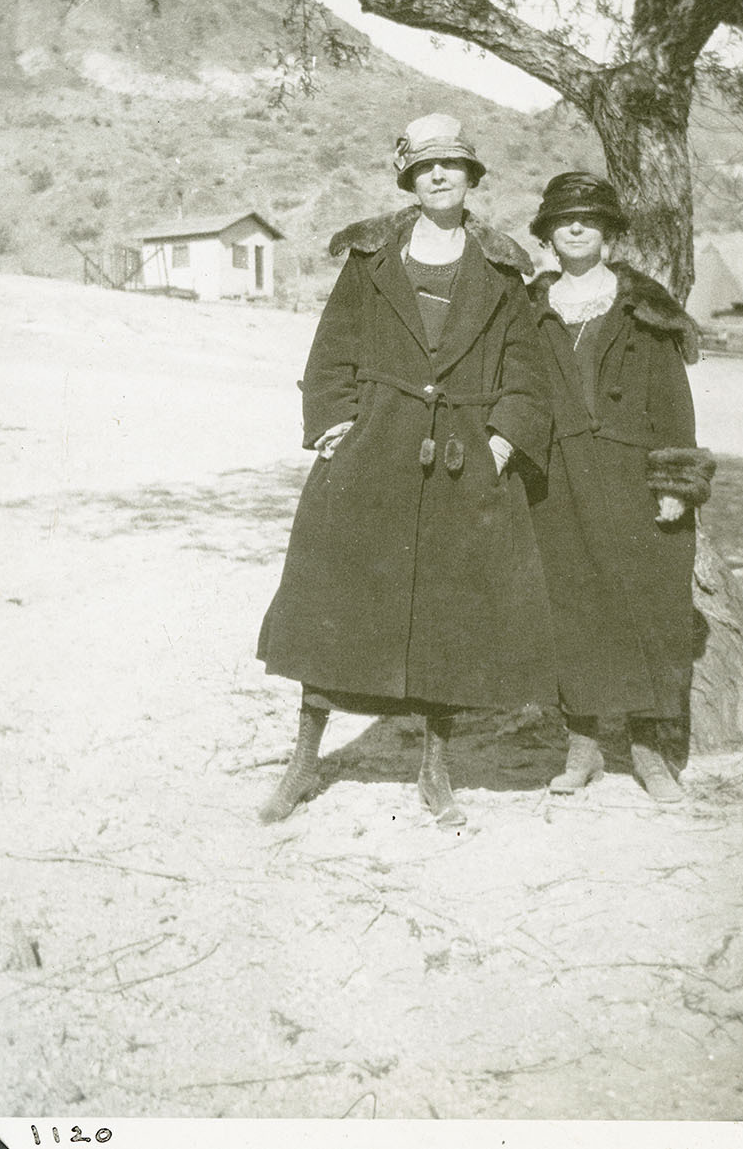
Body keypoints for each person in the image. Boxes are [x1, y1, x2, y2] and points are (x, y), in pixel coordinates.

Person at [256, 114, 557, 826]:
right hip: (373, 456)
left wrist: (500, 443)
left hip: (463, 464)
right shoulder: (370, 256)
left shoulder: (501, 266)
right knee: (334, 602)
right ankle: (304, 760)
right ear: (410, 180)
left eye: (451, 164)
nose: (439, 176)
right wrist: (334, 427)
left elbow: (525, 370)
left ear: (471, 175)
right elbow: (332, 349)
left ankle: (435, 770)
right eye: (425, 168)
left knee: (448, 618)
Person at [527, 172, 716, 803]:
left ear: (608, 234)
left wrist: (673, 483)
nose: (576, 228)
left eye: (589, 219)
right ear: (548, 235)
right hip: (555, 483)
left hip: (636, 482)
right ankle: (581, 747)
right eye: (563, 220)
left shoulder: (644, 308)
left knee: (649, 612)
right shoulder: (527, 310)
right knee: (570, 609)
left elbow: (673, 400)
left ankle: (648, 751)